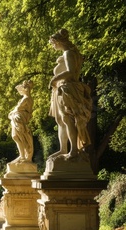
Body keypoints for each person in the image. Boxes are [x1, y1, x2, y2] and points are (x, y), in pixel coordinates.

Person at [48, 29, 92, 160]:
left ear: (58, 41)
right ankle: (63, 149)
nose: (52, 46)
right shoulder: (71, 53)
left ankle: (73, 150)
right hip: (63, 89)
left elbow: (71, 72)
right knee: (61, 120)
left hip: (68, 88)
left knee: (68, 120)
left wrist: (54, 79)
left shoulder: (68, 53)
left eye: (53, 43)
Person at [9, 80, 34, 163]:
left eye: (27, 88)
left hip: (19, 118)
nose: (26, 89)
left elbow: (18, 108)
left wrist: (11, 113)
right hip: (17, 117)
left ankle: (23, 156)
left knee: (19, 137)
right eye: (25, 88)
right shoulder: (25, 98)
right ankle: (22, 155)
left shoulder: (26, 99)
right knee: (16, 136)